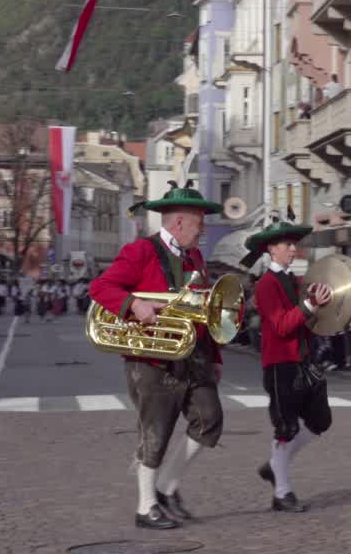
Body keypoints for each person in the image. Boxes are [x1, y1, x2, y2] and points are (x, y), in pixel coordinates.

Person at [88, 181, 226, 530]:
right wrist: (134, 303)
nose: (204, 228)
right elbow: (101, 287)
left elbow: (204, 310)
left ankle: (166, 487)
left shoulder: (195, 257)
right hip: (151, 357)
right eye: (199, 221)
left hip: (192, 355)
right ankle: (145, 506)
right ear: (179, 223)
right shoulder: (141, 251)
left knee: (209, 419)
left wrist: (215, 357)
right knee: (156, 431)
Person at [240, 217, 333, 512]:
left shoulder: (294, 281)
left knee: (320, 421)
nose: (293, 249)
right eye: (287, 245)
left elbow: (305, 320)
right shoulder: (267, 284)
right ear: (272, 249)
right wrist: (309, 307)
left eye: (294, 244)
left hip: (303, 361)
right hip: (281, 364)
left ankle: (274, 464)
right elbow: (281, 326)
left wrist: (328, 316)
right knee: (286, 427)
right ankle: (282, 492)